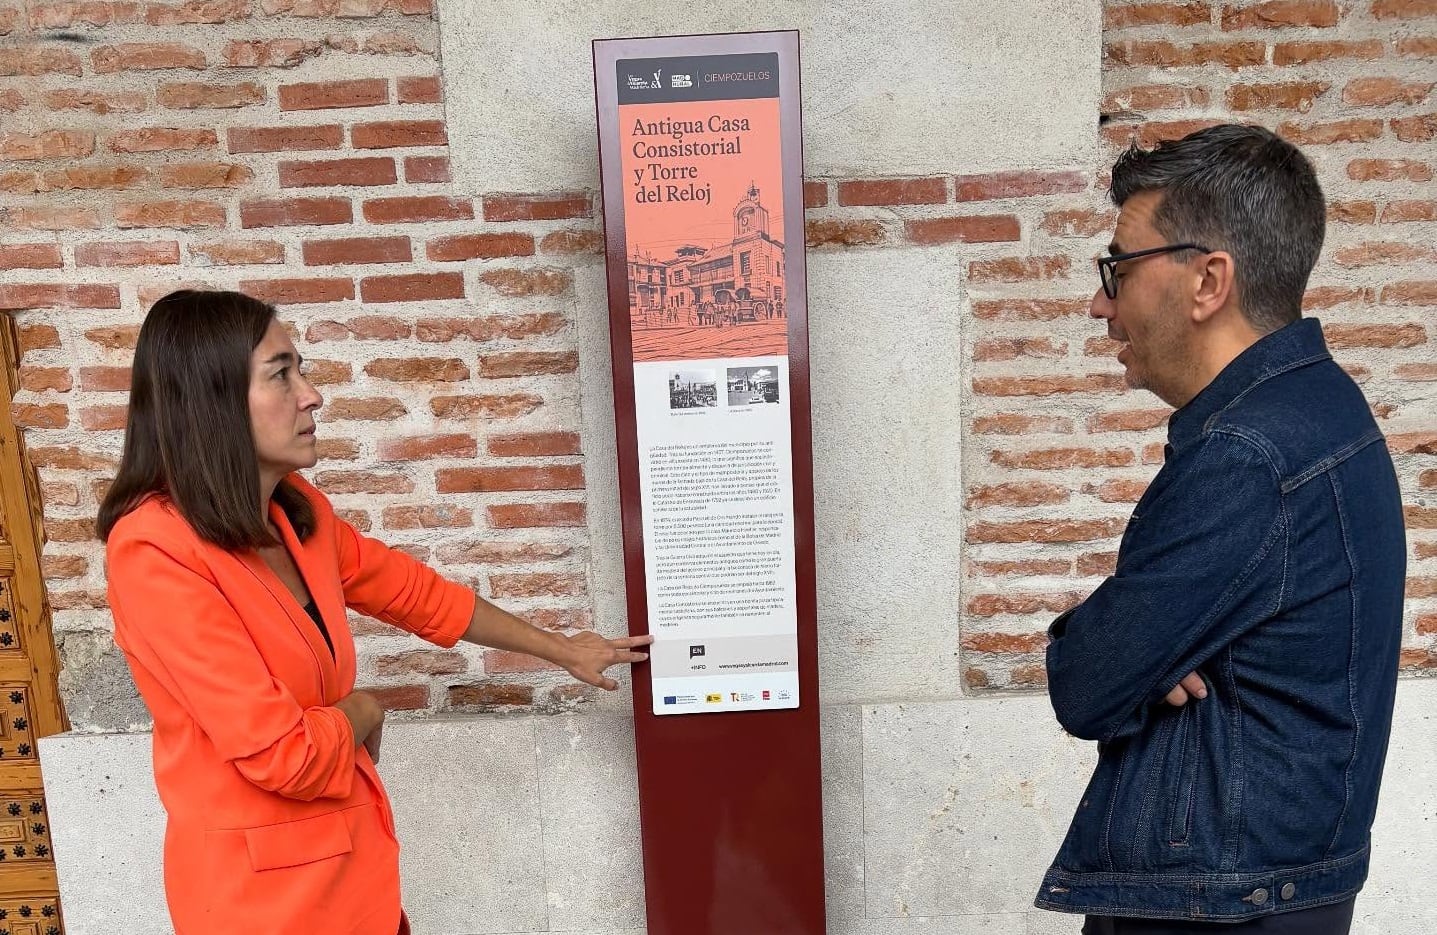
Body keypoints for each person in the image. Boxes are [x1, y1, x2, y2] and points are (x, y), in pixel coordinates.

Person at [97, 289, 652, 935]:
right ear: (211, 399)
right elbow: (285, 756)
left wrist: (563, 649)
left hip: (355, 883)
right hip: (261, 905)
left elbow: (418, 595)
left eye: (301, 371)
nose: (311, 395)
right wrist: (364, 708)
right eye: (281, 374)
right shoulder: (154, 550)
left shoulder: (296, 513)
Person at [1035, 125, 1406, 933]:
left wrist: (1118, 645)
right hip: (1262, 891)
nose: (1100, 304)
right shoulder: (1320, 405)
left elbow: (1087, 683)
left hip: (1213, 908)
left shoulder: (1245, 455)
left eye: (1117, 269)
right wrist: (1147, 647)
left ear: (1207, 281)